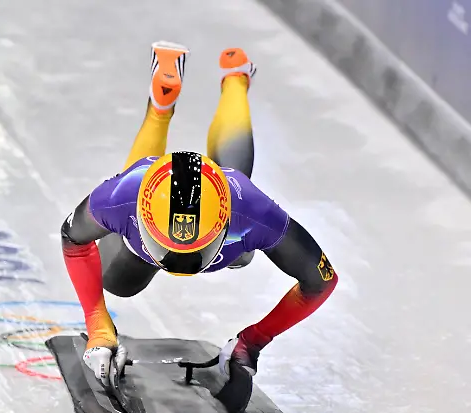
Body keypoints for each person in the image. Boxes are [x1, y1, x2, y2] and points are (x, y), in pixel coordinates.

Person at [60, 41, 338, 388]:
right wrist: (98, 327)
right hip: (200, 218)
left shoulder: (251, 211)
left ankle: (178, 99)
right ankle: (227, 82)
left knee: (237, 231)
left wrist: (253, 341)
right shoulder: (122, 198)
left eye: (195, 250)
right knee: (119, 281)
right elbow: (319, 282)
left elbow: (323, 281)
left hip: (226, 215)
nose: (179, 263)